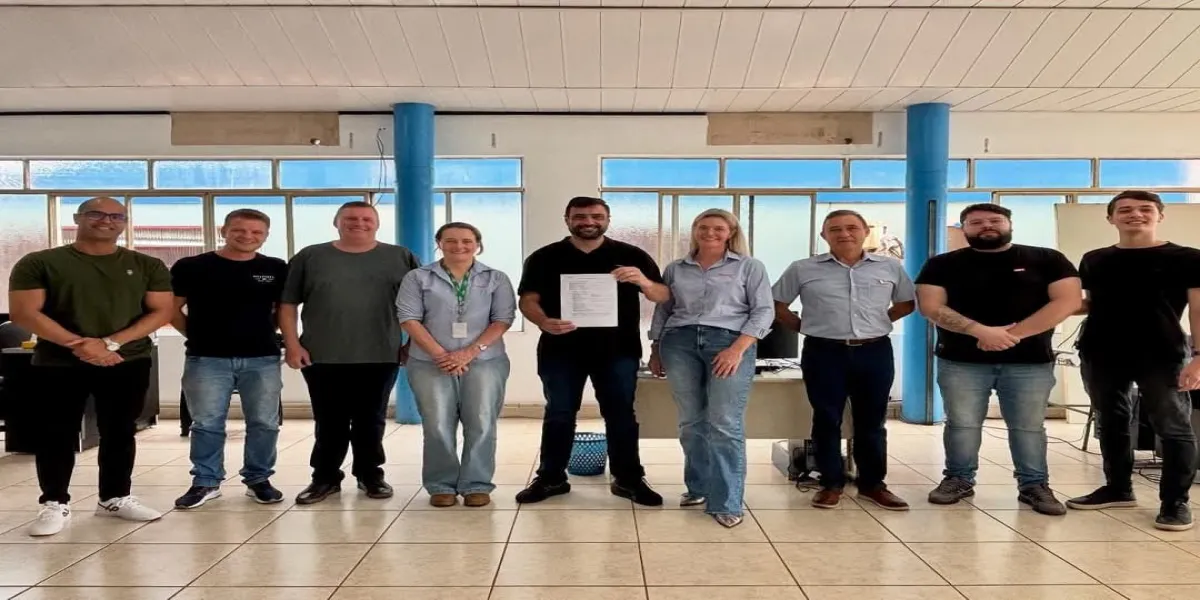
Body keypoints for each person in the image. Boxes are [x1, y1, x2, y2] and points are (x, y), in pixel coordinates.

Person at [9, 196, 173, 537]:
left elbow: (161, 311)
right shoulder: (40, 262)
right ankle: (54, 502)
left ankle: (114, 497)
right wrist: (80, 345)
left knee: (120, 431)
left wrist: (110, 343)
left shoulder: (147, 265)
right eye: (96, 214)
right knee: (56, 432)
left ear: (124, 222)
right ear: (77, 218)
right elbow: (24, 312)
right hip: (58, 362)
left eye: (116, 216)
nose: (106, 221)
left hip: (127, 359)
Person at [915, 203, 1081, 516]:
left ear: (1009, 224)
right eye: (976, 222)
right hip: (960, 360)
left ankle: (1034, 484)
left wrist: (1011, 335)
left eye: (995, 220)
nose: (986, 226)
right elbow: (931, 306)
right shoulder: (942, 264)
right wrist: (979, 331)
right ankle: (958, 479)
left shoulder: (1047, 259)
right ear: (964, 228)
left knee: (1028, 426)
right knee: (961, 424)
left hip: (1029, 361)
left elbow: (1068, 301)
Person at [515, 196, 670, 506]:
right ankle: (551, 478)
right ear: (567, 219)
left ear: (607, 220)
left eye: (596, 216)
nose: (588, 222)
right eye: (580, 216)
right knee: (559, 413)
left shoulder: (631, 255)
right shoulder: (544, 257)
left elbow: (662, 295)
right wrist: (543, 321)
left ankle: (627, 478)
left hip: (618, 351)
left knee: (620, 414)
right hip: (560, 350)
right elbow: (528, 300)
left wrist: (642, 280)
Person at [1067, 190, 1200, 531]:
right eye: (1125, 210)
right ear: (1111, 218)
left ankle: (1175, 502)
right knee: (1110, 422)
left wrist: (1199, 357)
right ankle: (1118, 489)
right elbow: (1092, 303)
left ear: (1160, 216)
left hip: (1162, 354)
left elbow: (1199, 309)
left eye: (1145, 209)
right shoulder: (1095, 259)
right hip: (1100, 351)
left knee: (1173, 426)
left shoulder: (1188, 258)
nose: (1135, 214)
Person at [772, 210, 916, 511]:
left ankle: (872, 484)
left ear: (865, 232)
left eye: (852, 227)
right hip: (824, 352)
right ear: (824, 235)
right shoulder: (802, 268)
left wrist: (877, 323)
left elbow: (906, 303)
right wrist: (806, 328)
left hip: (874, 351)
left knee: (872, 421)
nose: (844, 234)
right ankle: (830, 484)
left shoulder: (890, 267)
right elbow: (777, 305)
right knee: (826, 418)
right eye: (835, 229)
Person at [280, 200, 420, 505]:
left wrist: (413, 344)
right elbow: (288, 303)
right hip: (322, 354)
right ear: (336, 222)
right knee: (329, 421)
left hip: (381, 352)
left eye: (366, 218)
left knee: (371, 420)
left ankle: (370, 475)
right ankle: (325, 478)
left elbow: (422, 305)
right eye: (351, 218)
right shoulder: (311, 256)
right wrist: (292, 344)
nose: (359, 223)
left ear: (377, 223)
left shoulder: (400, 257)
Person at [647, 209, 773, 527]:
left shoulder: (749, 266)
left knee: (724, 423)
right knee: (691, 422)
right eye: (703, 227)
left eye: (718, 228)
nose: (710, 233)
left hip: (729, 342)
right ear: (695, 230)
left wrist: (737, 350)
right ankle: (698, 487)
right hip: (679, 343)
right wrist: (655, 348)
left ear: (731, 233)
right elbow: (664, 309)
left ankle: (727, 502)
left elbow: (763, 311)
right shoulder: (676, 268)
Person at [170, 208, 288, 509]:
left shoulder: (275, 268)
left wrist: (272, 334)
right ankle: (206, 481)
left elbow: (283, 310)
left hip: (262, 358)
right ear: (223, 231)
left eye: (256, 232)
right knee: (206, 423)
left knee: (264, 423)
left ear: (265, 236)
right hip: (206, 358)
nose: (248, 236)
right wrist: (193, 333)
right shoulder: (192, 266)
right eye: (239, 230)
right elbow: (171, 308)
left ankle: (259, 479)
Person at [397, 222, 516, 508]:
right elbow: (409, 318)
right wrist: (441, 355)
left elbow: (503, 319)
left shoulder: (495, 278)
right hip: (429, 362)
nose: (459, 246)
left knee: (482, 423)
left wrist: (468, 353)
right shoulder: (418, 277)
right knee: (437, 423)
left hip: (485, 361)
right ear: (439, 243)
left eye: (466, 241)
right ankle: (441, 485)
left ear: (478, 244)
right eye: (450, 240)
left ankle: (477, 484)